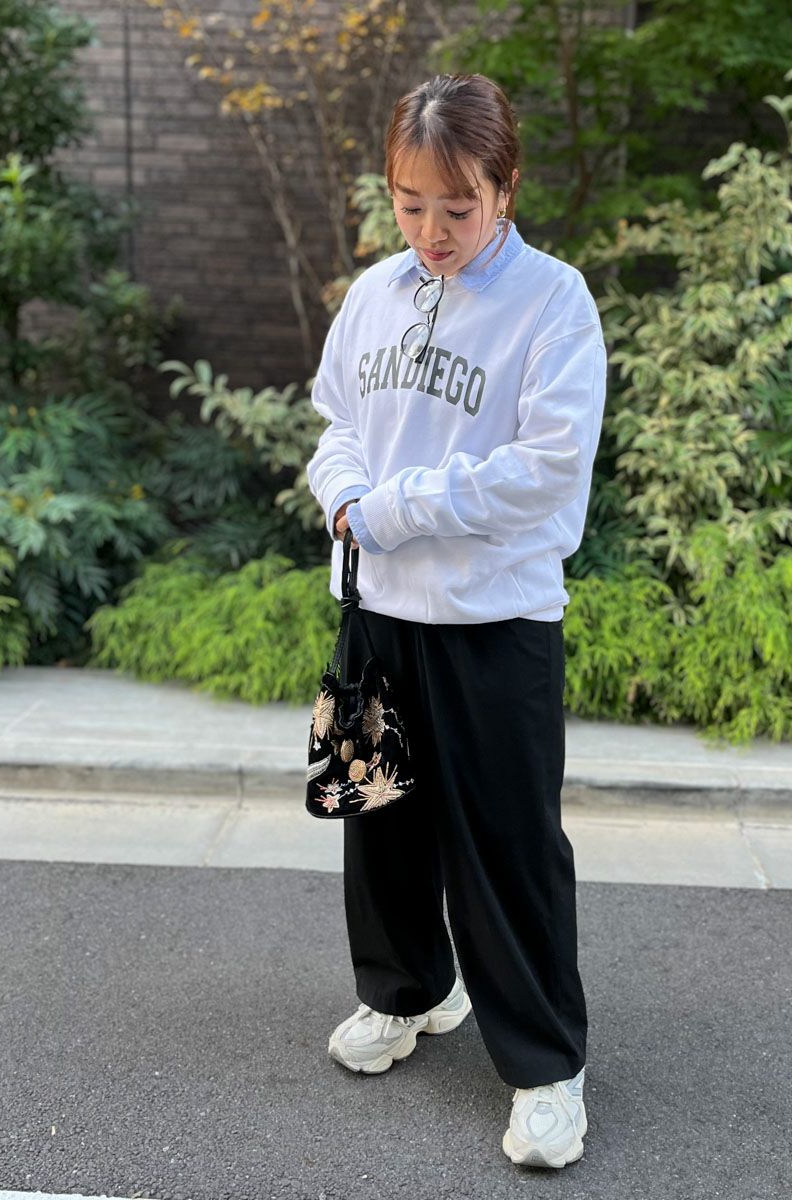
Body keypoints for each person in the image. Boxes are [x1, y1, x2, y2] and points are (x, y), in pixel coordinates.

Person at [305, 72, 607, 1170]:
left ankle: (546, 1065)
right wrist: (343, 492)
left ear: (505, 189)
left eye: (458, 207)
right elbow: (336, 417)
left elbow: (546, 468)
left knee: (507, 848)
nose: (431, 231)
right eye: (409, 203)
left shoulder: (553, 302)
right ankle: (407, 993)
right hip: (376, 610)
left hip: (492, 622)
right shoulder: (375, 293)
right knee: (378, 821)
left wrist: (392, 509)